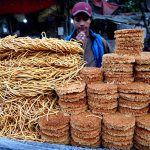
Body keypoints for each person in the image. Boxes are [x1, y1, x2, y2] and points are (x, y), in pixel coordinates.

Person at [64, 2, 110, 67]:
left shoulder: (100, 42)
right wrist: (76, 46)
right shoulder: (65, 43)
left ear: (90, 20)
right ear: (73, 21)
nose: (82, 23)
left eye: (85, 19)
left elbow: (112, 60)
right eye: (77, 19)